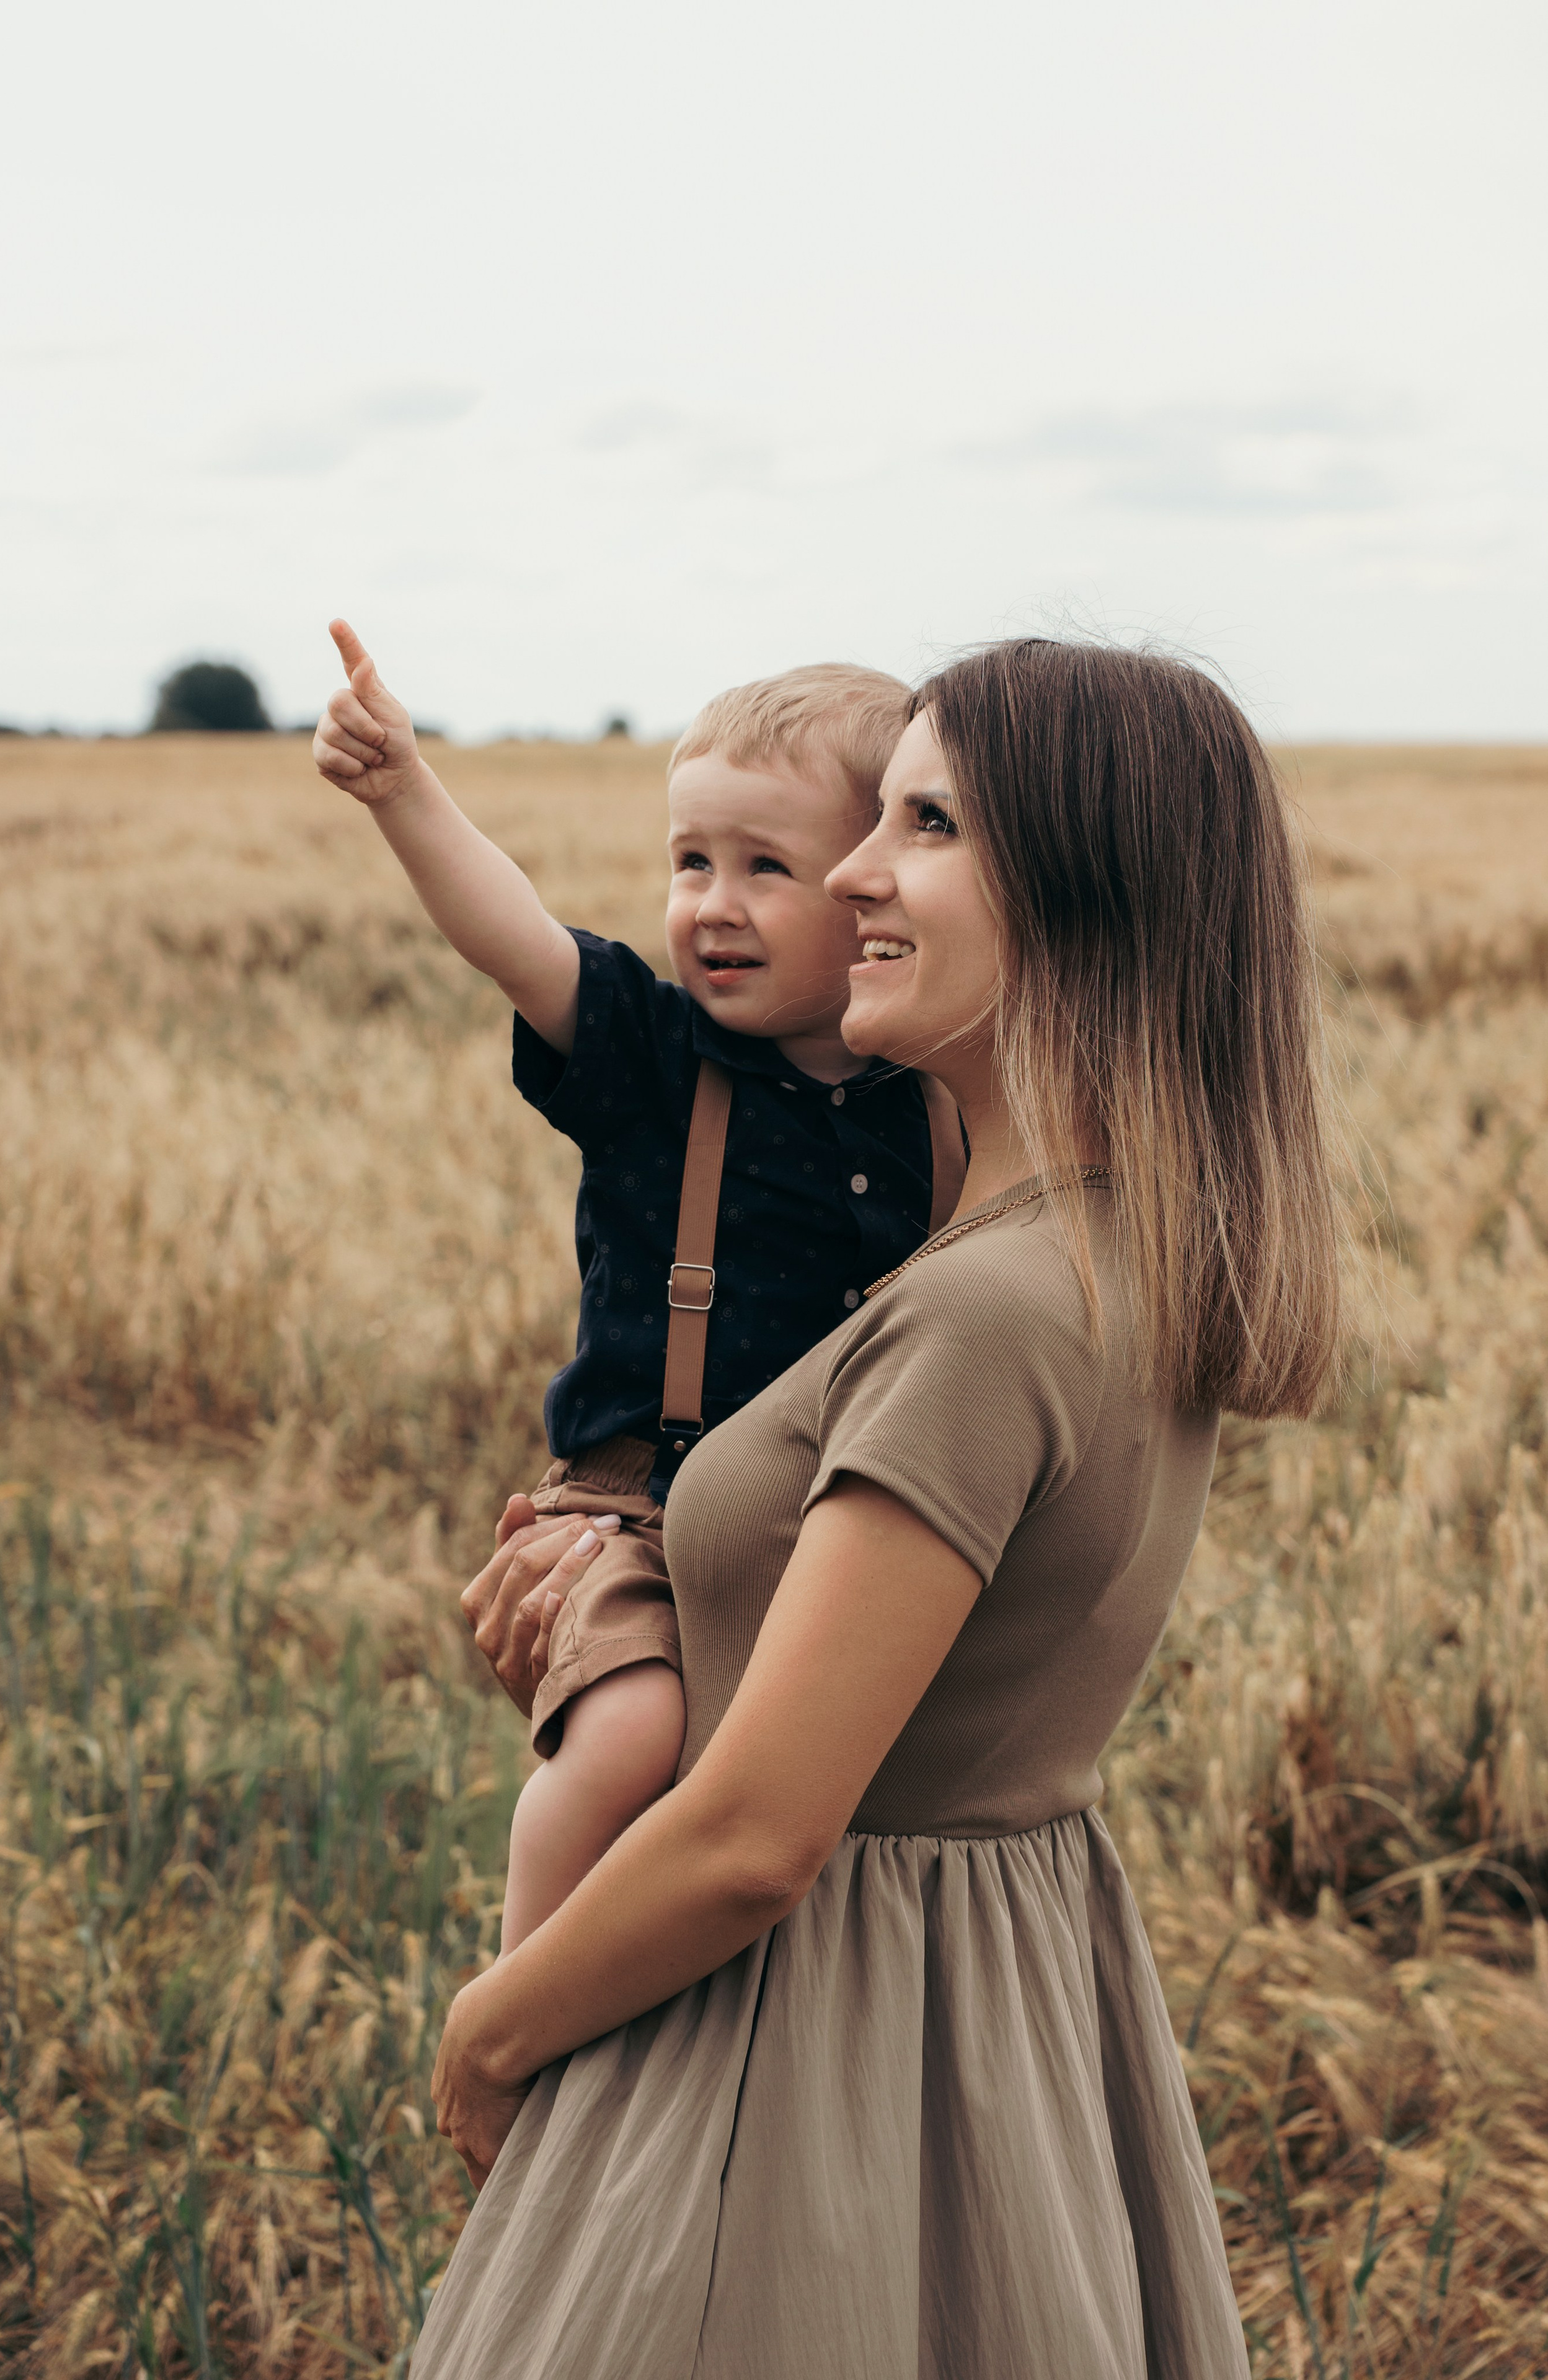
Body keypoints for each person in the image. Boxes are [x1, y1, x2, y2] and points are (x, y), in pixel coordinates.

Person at [417, 636, 1342, 2380]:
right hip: (991, 2005)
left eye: (922, 825)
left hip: (800, 2043)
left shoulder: (982, 1317)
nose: (849, 876)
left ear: (1075, 898)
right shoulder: (1106, 1253)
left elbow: (759, 1836)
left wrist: (490, 2032)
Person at [311, 627, 961, 1952]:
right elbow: (515, 941)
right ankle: (525, 2006)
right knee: (627, 1740)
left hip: (820, 1535)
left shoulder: (938, 1098)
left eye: (764, 867)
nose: (711, 904)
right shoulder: (653, 1056)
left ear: (871, 886)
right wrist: (404, 792)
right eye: (689, 862)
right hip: (639, 1518)